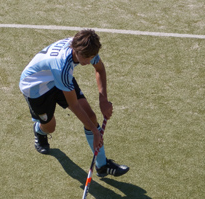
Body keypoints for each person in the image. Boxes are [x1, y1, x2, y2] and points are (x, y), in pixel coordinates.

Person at [19, 29, 129, 177]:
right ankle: (39, 130)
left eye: (91, 57)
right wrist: (96, 132)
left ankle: (102, 165)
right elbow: (74, 106)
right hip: (36, 87)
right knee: (50, 127)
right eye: (85, 58)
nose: (88, 61)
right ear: (75, 50)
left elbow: (100, 69)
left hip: (56, 78)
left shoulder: (87, 47)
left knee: (91, 117)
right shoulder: (63, 66)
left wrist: (103, 100)